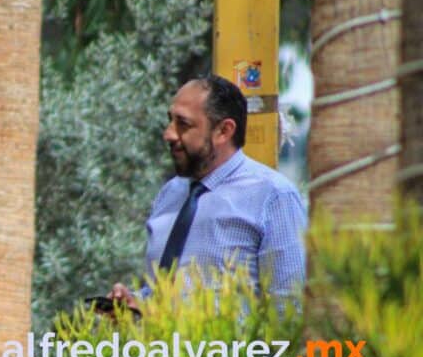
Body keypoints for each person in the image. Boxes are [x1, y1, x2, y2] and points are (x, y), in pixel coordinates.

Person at [110, 74, 307, 309]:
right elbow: (165, 292)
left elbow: (290, 307)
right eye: (170, 121)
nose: (169, 134)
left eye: (183, 124)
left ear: (224, 131)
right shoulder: (169, 194)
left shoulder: (273, 196)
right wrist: (136, 303)